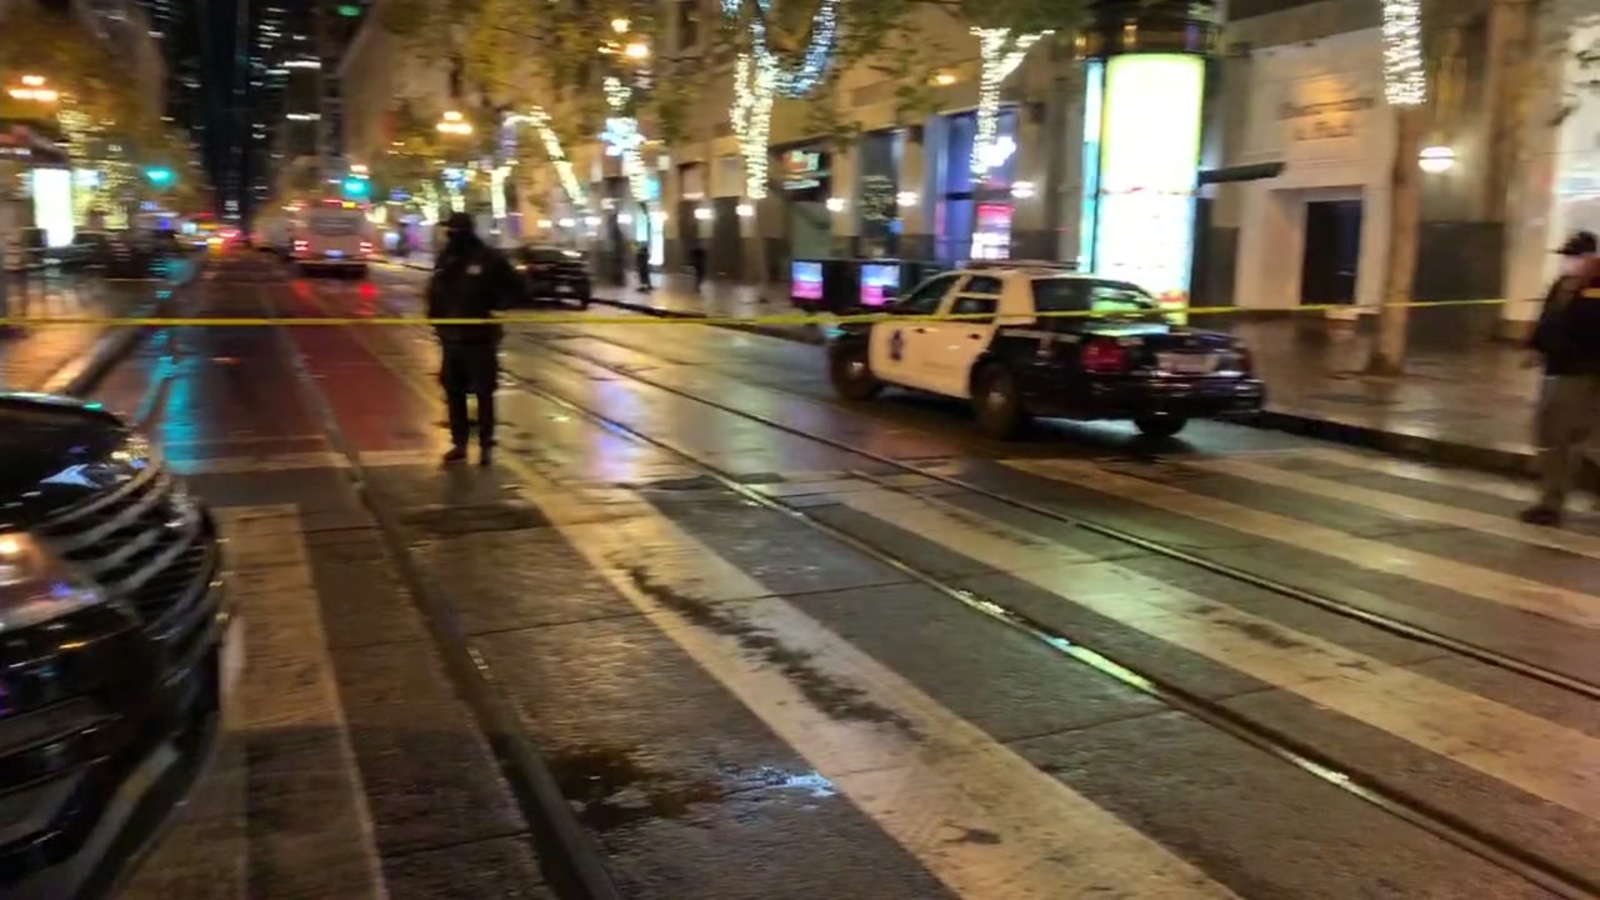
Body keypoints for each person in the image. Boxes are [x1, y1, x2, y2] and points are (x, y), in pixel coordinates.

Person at [426, 212, 520, 466]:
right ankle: (459, 443)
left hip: (480, 340)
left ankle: (486, 445)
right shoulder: (446, 258)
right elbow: (436, 291)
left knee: (483, 392)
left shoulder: (489, 258)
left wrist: (498, 307)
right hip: (452, 339)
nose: (450, 236)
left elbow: (516, 288)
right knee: (453, 392)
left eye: (454, 231)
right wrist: (435, 320)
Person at [1520, 230, 1600, 524]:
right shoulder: (1561, 285)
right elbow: (1548, 318)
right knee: (1559, 436)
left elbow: (1592, 325)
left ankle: (1551, 504)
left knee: (1561, 437)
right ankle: (1553, 499)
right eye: (1567, 256)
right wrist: (1535, 346)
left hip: (1583, 371)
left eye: (1574, 256)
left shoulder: (1597, 285)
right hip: (1557, 369)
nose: (1569, 261)